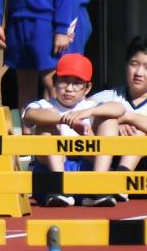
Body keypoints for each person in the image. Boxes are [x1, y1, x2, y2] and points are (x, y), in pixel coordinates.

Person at [81, 35, 147, 195]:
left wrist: (127, 117)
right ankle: (102, 185)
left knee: (141, 134)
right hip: (109, 163)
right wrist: (114, 125)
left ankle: (120, 180)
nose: (139, 72)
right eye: (134, 65)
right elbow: (80, 112)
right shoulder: (109, 95)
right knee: (103, 121)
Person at [20, 51, 100, 205]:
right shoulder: (45, 104)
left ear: (87, 88)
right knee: (46, 128)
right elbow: (29, 115)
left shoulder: (92, 106)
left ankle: (94, 190)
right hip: (49, 175)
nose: (69, 88)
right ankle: (59, 187)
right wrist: (66, 120)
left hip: (83, 168)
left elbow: (118, 109)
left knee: (105, 123)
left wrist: (88, 117)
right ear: (54, 82)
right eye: (64, 81)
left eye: (77, 83)